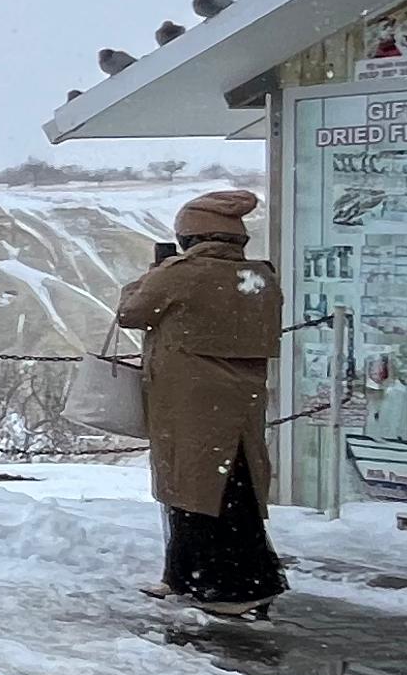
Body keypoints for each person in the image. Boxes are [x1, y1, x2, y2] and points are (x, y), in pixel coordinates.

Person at [118, 189, 286, 621]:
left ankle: (224, 586)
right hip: (241, 403)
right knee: (233, 488)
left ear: (190, 237)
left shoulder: (182, 274)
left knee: (193, 492)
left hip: (189, 400)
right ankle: (193, 576)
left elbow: (131, 313)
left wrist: (155, 273)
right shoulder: (259, 276)